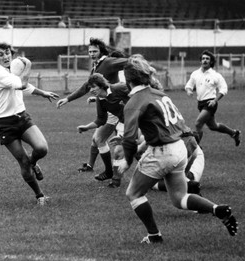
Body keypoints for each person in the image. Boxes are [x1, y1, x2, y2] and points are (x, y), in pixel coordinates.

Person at [118, 55, 238, 244]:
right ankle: (217, 209)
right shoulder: (160, 94)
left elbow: (129, 138)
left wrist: (126, 160)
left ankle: (154, 236)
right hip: (180, 148)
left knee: (133, 193)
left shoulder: (134, 102)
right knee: (179, 198)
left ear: (128, 79)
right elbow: (179, 125)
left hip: (162, 152)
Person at [0, 42, 59, 205]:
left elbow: (24, 86)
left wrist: (43, 93)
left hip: (22, 117)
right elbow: (21, 84)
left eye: (7, 53)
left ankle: (33, 162)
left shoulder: (11, 71)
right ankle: (40, 196)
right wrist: (28, 65)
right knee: (22, 162)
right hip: (4, 123)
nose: (5, 56)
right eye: (0, 54)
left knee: (42, 148)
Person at [57, 38, 127, 182]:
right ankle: (97, 168)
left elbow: (129, 62)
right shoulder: (96, 67)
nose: (91, 53)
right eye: (89, 51)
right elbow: (87, 86)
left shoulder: (107, 62)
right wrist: (69, 99)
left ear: (101, 51)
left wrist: (143, 71)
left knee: (104, 140)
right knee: (101, 140)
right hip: (108, 106)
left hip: (117, 109)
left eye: (94, 51)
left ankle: (112, 176)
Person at [76, 73, 129, 187]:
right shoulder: (100, 100)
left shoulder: (119, 88)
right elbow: (101, 120)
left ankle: (158, 176)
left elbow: (138, 92)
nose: (91, 90)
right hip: (124, 123)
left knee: (141, 150)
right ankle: (115, 181)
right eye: (90, 88)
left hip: (141, 121)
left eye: (94, 87)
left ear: (102, 85)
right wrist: (86, 127)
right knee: (118, 151)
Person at [185, 50, 241, 146]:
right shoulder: (195, 73)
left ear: (211, 61)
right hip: (200, 104)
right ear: (200, 61)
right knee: (213, 126)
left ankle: (196, 147)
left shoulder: (215, 75)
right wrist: (189, 90)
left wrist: (215, 100)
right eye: (203, 59)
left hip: (210, 103)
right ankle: (234, 133)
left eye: (207, 59)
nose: (205, 60)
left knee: (198, 123)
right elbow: (188, 85)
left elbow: (224, 88)